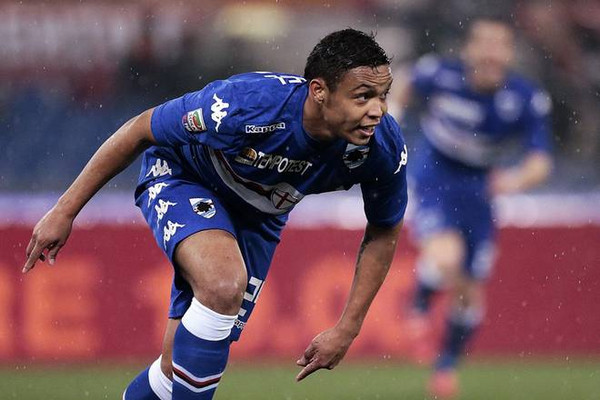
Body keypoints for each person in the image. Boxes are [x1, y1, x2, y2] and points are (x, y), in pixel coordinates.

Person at [22, 29, 408, 400]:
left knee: (175, 370)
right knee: (223, 284)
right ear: (319, 91)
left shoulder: (382, 148)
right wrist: (64, 211)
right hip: (185, 178)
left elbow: (383, 230)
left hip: (260, 218)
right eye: (363, 96)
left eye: (383, 95)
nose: (378, 110)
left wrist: (347, 328)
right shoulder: (246, 105)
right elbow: (140, 129)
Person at [394, 17, 553, 398]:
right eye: (484, 43)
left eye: (500, 45)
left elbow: (541, 161)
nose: (490, 53)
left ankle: (445, 366)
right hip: (436, 177)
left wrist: (512, 181)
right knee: (446, 257)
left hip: (481, 191)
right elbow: (403, 83)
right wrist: (392, 120)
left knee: (470, 291)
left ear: (510, 53)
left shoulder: (525, 98)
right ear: (468, 49)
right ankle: (420, 303)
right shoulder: (440, 74)